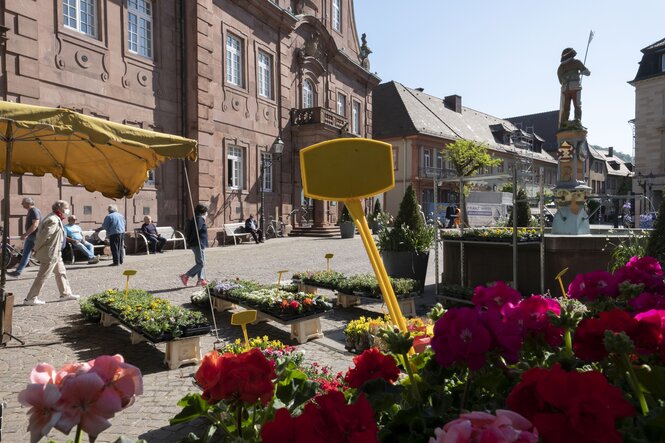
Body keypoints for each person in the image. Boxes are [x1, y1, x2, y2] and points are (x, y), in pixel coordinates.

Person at [23, 200, 80, 305]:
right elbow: (43, 236)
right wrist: (36, 248)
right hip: (50, 253)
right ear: (60, 208)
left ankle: (65, 294)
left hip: (56, 252)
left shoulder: (56, 217)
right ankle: (30, 298)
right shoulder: (53, 219)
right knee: (43, 275)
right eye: (66, 207)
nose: (68, 210)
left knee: (61, 273)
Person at [557, 47, 590, 128]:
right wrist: (582, 72)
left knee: (566, 108)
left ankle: (564, 123)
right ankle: (577, 121)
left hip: (565, 89)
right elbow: (588, 73)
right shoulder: (576, 62)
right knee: (577, 106)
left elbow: (560, 81)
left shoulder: (560, 67)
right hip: (575, 87)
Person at [8, 197, 41, 277]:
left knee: (41, 254)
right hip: (31, 236)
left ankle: (49, 271)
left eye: (23, 202)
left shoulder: (34, 211)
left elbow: (35, 225)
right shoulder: (31, 211)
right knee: (25, 254)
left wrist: (25, 234)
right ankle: (18, 272)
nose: (22, 204)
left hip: (35, 236)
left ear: (28, 203)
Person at [180, 204, 209, 287]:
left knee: (199, 262)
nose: (207, 213)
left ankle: (201, 279)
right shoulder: (199, 219)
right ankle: (186, 275)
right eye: (206, 212)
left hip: (197, 243)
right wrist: (197, 242)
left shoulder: (196, 218)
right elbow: (197, 232)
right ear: (203, 212)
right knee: (201, 263)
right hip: (197, 243)